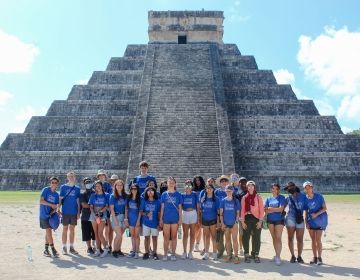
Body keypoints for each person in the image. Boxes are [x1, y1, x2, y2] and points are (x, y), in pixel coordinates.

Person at [303, 181, 328, 265]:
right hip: (311, 221)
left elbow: (325, 208)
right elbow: (306, 211)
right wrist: (306, 222)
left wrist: (316, 214)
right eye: (306, 187)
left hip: (320, 221)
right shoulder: (305, 199)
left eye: (309, 187)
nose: (308, 188)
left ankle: (320, 258)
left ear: (312, 187)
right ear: (304, 189)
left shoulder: (319, 196)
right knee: (313, 240)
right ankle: (315, 258)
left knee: (318, 240)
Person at [240, 180, 264, 263]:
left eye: (252, 185)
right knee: (245, 237)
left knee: (256, 237)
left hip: (256, 219)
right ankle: (246, 254)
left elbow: (261, 210)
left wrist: (260, 221)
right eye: (249, 186)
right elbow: (242, 210)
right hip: (247, 218)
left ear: (254, 187)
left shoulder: (258, 197)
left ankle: (255, 254)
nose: (250, 187)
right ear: (247, 187)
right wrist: (242, 222)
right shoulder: (244, 197)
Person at [160, 176, 182, 261]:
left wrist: (180, 218)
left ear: (175, 183)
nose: (171, 183)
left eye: (173, 182)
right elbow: (162, 207)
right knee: (166, 237)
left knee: (174, 237)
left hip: (175, 218)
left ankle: (173, 254)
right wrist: (161, 219)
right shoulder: (164, 194)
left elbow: (180, 208)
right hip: (166, 218)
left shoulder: (178, 194)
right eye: (170, 182)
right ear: (167, 184)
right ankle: (165, 254)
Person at [284, 182, 307, 264]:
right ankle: (292, 256)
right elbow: (282, 208)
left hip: (300, 218)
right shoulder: (288, 198)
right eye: (287, 189)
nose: (288, 190)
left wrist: (307, 220)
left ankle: (299, 256)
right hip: (290, 217)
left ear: (294, 187)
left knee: (300, 239)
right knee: (290, 238)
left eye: (289, 188)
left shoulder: (303, 196)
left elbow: (307, 209)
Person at [264, 183, 286, 265]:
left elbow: (280, 209)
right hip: (270, 220)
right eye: (272, 188)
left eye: (276, 188)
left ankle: (278, 256)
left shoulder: (281, 197)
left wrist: (271, 209)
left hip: (279, 220)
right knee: (274, 238)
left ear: (278, 190)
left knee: (278, 238)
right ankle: (276, 255)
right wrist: (271, 209)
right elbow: (265, 210)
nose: (274, 190)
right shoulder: (268, 198)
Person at [60, 171, 81, 255]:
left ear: (74, 177)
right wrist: (58, 208)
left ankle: (71, 247)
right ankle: (64, 247)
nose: (71, 178)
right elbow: (60, 198)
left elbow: (78, 201)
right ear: (67, 177)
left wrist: (78, 212)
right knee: (65, 229)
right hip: (65, 211)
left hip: (73, 211)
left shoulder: (77, 188)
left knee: (72, 230)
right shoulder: (63, 187)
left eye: (72, 176)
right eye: (69, 176)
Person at [39, 176, 60, 257]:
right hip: (44, 214)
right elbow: (41, 201)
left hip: (50, 216)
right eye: (52, 182)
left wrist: (54, 210)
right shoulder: (46, 190)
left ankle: (46, 250)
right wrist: (51, 205)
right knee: (48, 231)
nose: (54, 184)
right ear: (50, 183)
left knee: (48, 232)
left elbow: (56, 206)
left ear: (57, 184)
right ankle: (53, 249)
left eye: (55, 182)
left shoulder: (56, 195)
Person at [220, 185, 241, 264]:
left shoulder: (236, 201)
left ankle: (236, 256)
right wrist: (222, 223)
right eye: (227, 191)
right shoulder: (223, 201)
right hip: (226, 223)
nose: (228, 192)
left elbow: (238, 213)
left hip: (233, 223)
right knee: (227, 240)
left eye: (230, 191)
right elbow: (221, 213)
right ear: (225, 191)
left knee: (235, 240)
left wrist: (236, 222)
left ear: (233, 191)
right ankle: (229, 255)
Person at [88, 180, 110, 257]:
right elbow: (91, 206)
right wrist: (94, 214)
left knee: (100, 233)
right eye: (96, 186)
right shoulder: (93, 195)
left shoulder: (106, 195)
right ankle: (98, 250)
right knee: (96, 233)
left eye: (99, 186)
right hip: (94, 215)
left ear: (102, 186)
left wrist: (100, 212)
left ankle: (106, 248)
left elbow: (107, 206)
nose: (98, 187)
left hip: (102, 215)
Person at [140, 184, 161, 260]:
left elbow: (159, 213)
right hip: (146, 223)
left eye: (152, 190)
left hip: (155, 223)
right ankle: (146, 252)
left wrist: (159, 223)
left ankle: (154, 252)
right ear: (146, 192)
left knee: (155, 238)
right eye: (148, 190)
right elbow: (141, 211)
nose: (150, 192)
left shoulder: (158, 202)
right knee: (146, 238)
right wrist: (146, 214)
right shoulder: (144, 201)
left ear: (154, 192)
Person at [199, 184, 219, 260]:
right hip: (205, 220)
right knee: (206, 237)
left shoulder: (216, 199)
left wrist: (218, 222)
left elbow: (218, 212)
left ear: (213, 189)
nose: (209, 189)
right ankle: (206, 253)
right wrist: (200, 221)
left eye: (210, 188)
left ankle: (214, 253)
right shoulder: (203, 198)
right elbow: (201, 211)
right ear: (206, 190)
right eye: (207, 188)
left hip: (213, 220)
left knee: (213, 237)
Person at [181, 180, 199, 259]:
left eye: (189, 185)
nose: (188, 186)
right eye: (186, 185)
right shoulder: (182, 195)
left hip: (193, 213)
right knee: (185, 234)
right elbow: (180, 206)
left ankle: (190, 252)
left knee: (192, 234)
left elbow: (198, 205)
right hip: (185, 213)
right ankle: (184, 251)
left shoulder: (194, 194)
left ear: (192, 187)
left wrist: (198, 216)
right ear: (184, 187)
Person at [109, 179, 127, 258]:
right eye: (118, 185)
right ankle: (114, 251)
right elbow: (111, 209)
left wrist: (126, 218)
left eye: (121, 185)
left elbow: (126, 208)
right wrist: (115, 219)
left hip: (123, 216)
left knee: (121, 235)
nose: (119, 186)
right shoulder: (112, 196)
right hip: (116, 216)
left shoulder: (125, 195)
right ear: (115, 186)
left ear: (123, 186)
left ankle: (119, 250)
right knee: (118, 234)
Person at [97, 169, 113, 252]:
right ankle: (99, 245)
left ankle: (108, 244)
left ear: (105, 176)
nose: (101, 177)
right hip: (98, 209)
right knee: (99, 228)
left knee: (108, 228)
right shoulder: (96, 185)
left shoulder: (108, 185)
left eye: (103, 175)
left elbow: (110, 196)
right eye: (100, 175)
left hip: (106, 209)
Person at [214, 175, 230, 259]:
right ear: (220, 183)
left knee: (228, 235)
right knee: (218, 236)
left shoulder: (230, 191)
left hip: (228, 215)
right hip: (218, 215)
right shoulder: (216, 192)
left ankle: (229, 252)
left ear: (228, 182)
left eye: (225, 181)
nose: (224, 182)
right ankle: (220, 251)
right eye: (222, 181)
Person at [125, 183, 142, 259]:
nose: (133, 190)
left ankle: (137, 252)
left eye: (135, 189)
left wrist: (138, 220)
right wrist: (126, 219)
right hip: (130, 218)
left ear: (137, 190)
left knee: (137, 236)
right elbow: (126, 209)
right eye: (132, 188)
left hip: (137, 219)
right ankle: (134, 250)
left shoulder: (140, 198)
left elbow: (141, 211)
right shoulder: (128, 197)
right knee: (132, 236)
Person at [80, 177, 96, 255]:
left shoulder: (95, 192)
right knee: (86, 233)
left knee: (95, 232)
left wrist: (92, 206)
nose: (88, 183)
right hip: (85, 216)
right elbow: (84, 205)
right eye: (86, 182)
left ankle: (95, 246)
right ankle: (89, 248)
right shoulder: (82, 194)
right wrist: (93, 206)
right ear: (84, 184)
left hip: (95, 216)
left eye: (89, 182)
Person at [192, 176, 205, 253]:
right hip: (194, 210)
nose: (197, 182)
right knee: (196, 228)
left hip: (202, 210)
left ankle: (197, 244)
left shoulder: (204, 190)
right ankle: (194, 243)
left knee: (199, 228)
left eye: (199, 180)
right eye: (196, 180)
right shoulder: (193, 190)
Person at [235, 176, 247, 256]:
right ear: (239, 183)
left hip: (249, 215)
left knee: (248, 233)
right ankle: (241, 248)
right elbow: (237, 205)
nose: (243, 183)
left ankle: (246, 248)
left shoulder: (249, 191)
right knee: (241, 232)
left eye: (244, 181)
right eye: (241, 182)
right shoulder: (237, 193)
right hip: (241, 215)